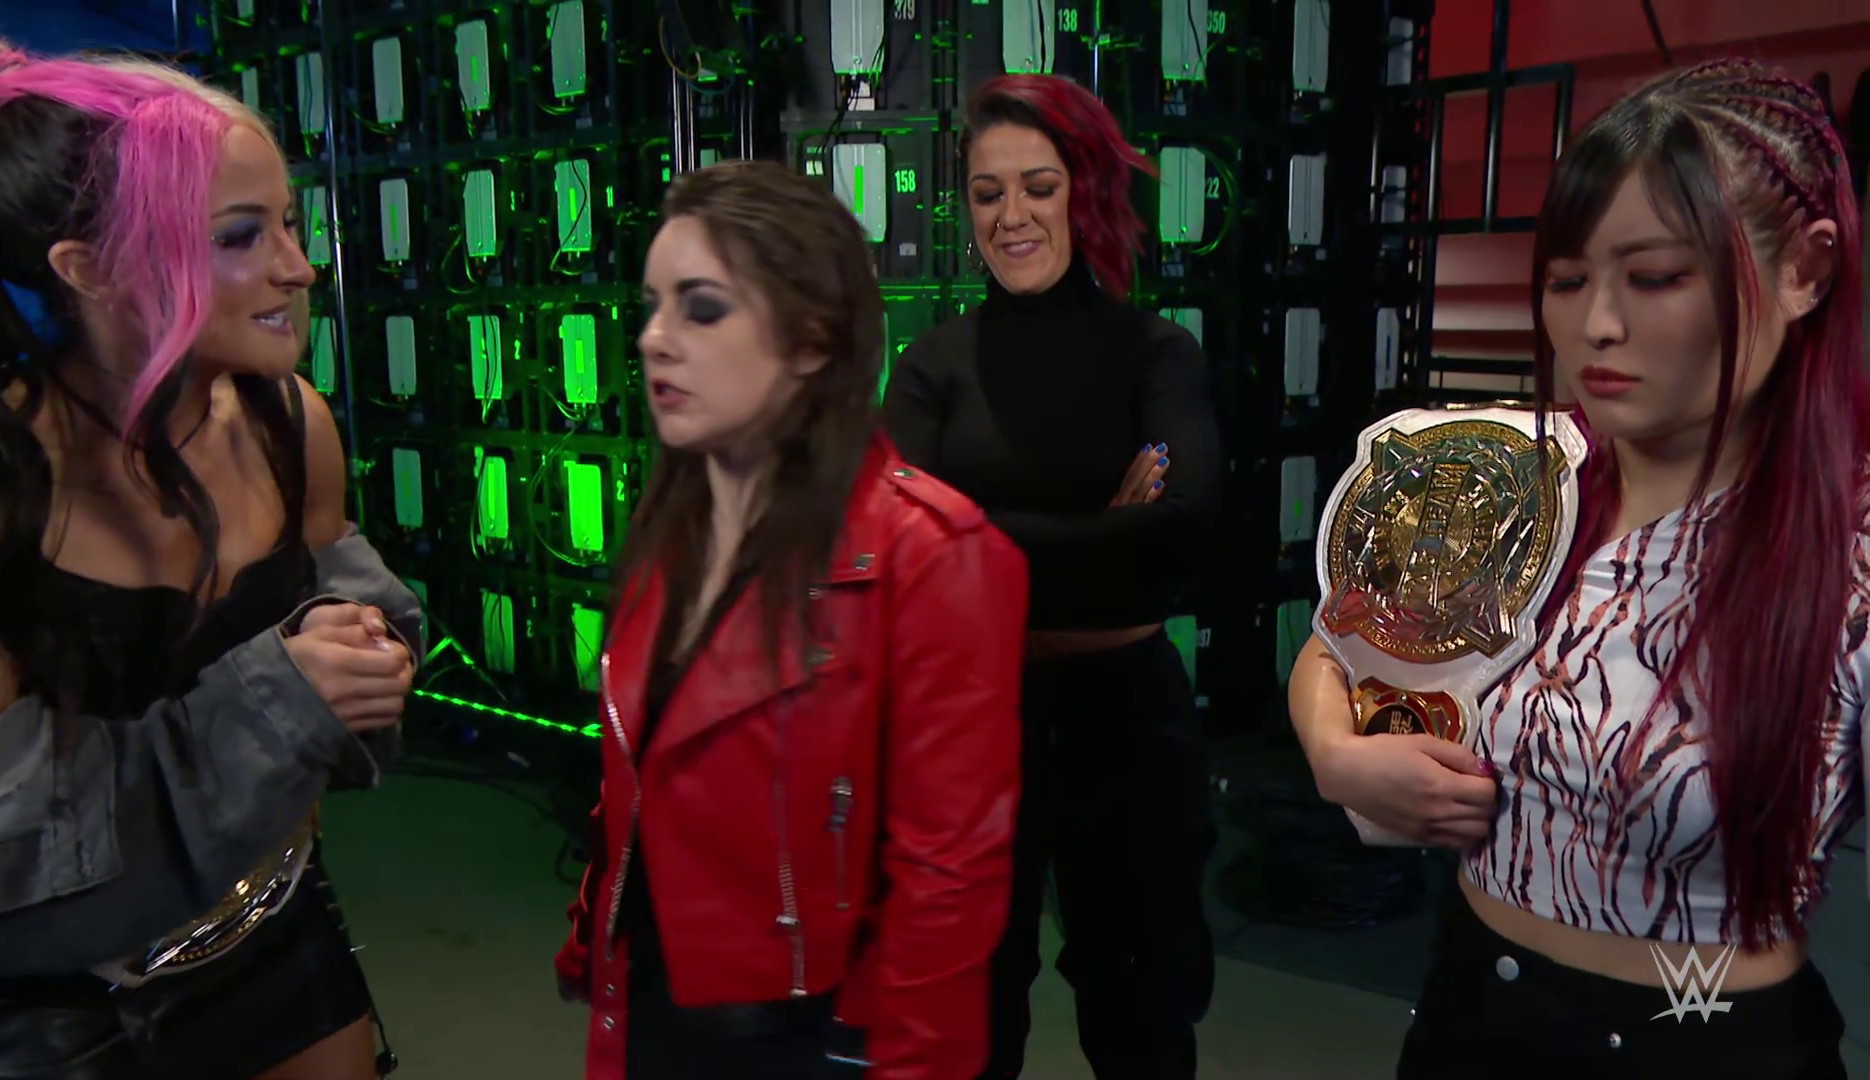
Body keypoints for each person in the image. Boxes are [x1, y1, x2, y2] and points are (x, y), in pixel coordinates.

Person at [1290, 60, 1864, 1079]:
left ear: (1805, 271)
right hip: (1471, 1016)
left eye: (1656, 278)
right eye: (1566, 280)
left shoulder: (1848, 552)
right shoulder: (1498, 472)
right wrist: (1336, 752)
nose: (1597, 325)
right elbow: (1339, 648)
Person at [0, 37, 423, 1080]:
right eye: (241, 236)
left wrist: (363, 649)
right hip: (55, 998)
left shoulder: (292, 423)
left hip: (274, 917)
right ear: (89, 271)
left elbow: (348, 650)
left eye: (290, 224)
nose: (298, 267)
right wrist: (278, 698)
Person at [551, 160, 1028, 1080]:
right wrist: (593, 940)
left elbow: (948, 888)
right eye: (651, 307)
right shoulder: (669, 530)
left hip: (803, 1046)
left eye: (701, 309)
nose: (654, 339)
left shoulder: (935, 556)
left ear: (811, 338)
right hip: (648, 1014)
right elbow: (635, 792)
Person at [882, 74, 1220, 1080]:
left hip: (1127, 718)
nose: (1012, 216)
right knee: (970, 1014)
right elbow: (894, 548)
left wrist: (970, 532)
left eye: (1038, 186)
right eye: (988, 193)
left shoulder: (1157, 352)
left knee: (1141, 1006)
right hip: (970, 720)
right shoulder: (931, 365)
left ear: (1085, 190)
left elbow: (1188, 529)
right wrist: (1105, 529)